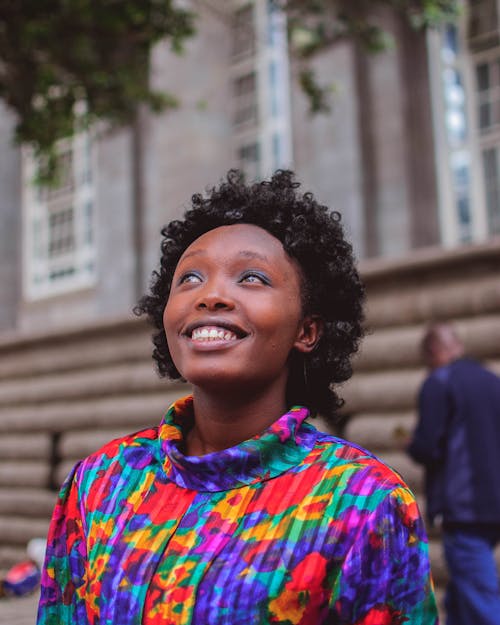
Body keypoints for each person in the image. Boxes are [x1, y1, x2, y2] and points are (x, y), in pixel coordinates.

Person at [37, 170, 438, 624]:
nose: (210, 295)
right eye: (189, 278)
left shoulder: (363, 501)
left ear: (307, 330)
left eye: (250, 277)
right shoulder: (100, 484)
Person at [407, 323, 500, 625]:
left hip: (463, 507)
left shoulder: (440, 381)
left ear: (433, 351)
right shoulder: (492, 381)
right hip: (494, 505)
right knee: (462, 595)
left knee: (482, 599)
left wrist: (412, 444)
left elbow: (428, 447)